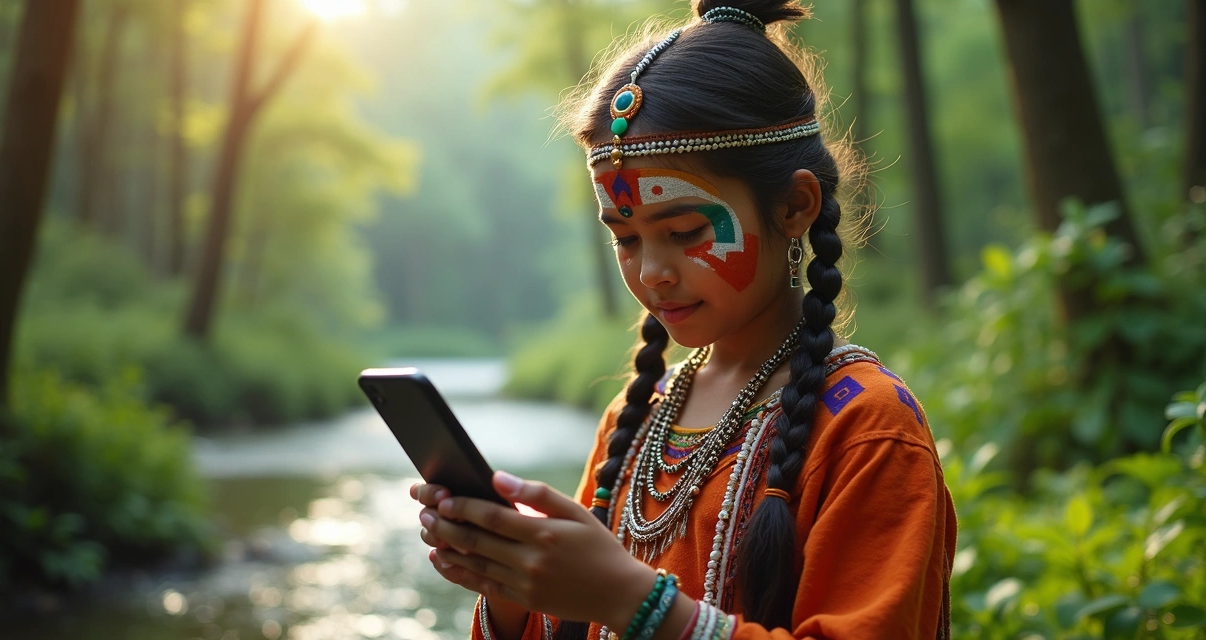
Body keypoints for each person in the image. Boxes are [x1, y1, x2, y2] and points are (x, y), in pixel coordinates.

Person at [410, 1, 957, 638]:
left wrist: (635, 603)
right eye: (625, 238)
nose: (651, 272)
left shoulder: (866, 430)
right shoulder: (635, 417)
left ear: (794, 206)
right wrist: (511, 589)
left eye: (685, 230)